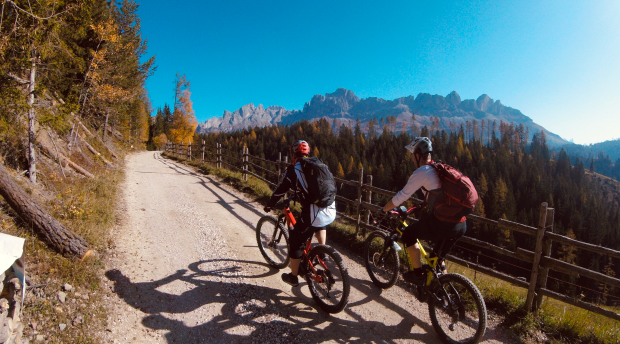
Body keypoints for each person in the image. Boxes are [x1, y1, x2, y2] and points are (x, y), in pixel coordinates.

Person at [379, 137, 467, 285]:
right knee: (437, 258)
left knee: (408, 234)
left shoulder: (422, 172)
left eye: (412, 154)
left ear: (418, 155)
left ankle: (417, 275)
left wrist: (383, 209)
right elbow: (439, 196)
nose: (412, 158)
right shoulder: (439, 167)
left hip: (443, 224)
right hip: (461, 224)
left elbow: (402, 196)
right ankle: (444, 289)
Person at [264, 140, 336, 286]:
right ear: (307, 153)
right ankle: (322, 252)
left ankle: (293, 276)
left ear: (293, 154)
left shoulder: (294, 169)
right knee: (319, 225)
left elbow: (280, 189)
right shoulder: (317, 163)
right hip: (330, 208)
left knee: (296, 241)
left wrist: (270, 204)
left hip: (314, 211)